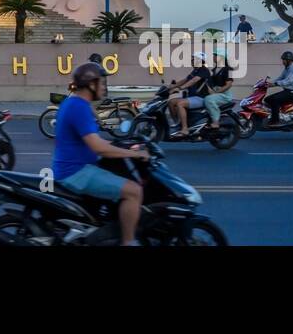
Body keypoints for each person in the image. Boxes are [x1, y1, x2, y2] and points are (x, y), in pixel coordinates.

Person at [51, 62, 149, 246]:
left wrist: (126, 148)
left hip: (72, 168)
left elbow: (95, 140)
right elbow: (99, 148)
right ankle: (129, 241)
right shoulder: (79, 107)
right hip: (76, 173)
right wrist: (134, 155)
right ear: (91, 84)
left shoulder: (72, 102)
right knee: (134, 191)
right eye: (102, 83)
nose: (105, 87)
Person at [166, 51, 212, 138]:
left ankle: (185, 129)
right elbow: (185, 80)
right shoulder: (195, 70)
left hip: (201, 98)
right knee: (171, 102)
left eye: (193, 59)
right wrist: (172, 86)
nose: (191, 60)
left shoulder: (204, 70)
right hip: (192, 97)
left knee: (180, 104)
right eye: (192, 59)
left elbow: (193, 81)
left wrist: (180, 88)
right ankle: (178, 123)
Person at [265, 51, 293, 122]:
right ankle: (280, 114)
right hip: (288, 91)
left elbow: (288, 81)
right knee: (268, 99)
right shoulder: (286, 69)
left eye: (284, 60)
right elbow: (280, 78)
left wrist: (275, 84)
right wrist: (269, 84)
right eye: (283, 59)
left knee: (275, 100)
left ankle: (275, 121)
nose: (283, 61)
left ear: (289, 60)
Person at [203, 46, 233, 129]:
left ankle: (216, 122)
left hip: (224, 95)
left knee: (209, 100)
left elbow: (228, 84)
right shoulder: (214, 69)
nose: (213, 57)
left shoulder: (228, 69)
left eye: (215, 55)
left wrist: (216, 92)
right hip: (215, 93)